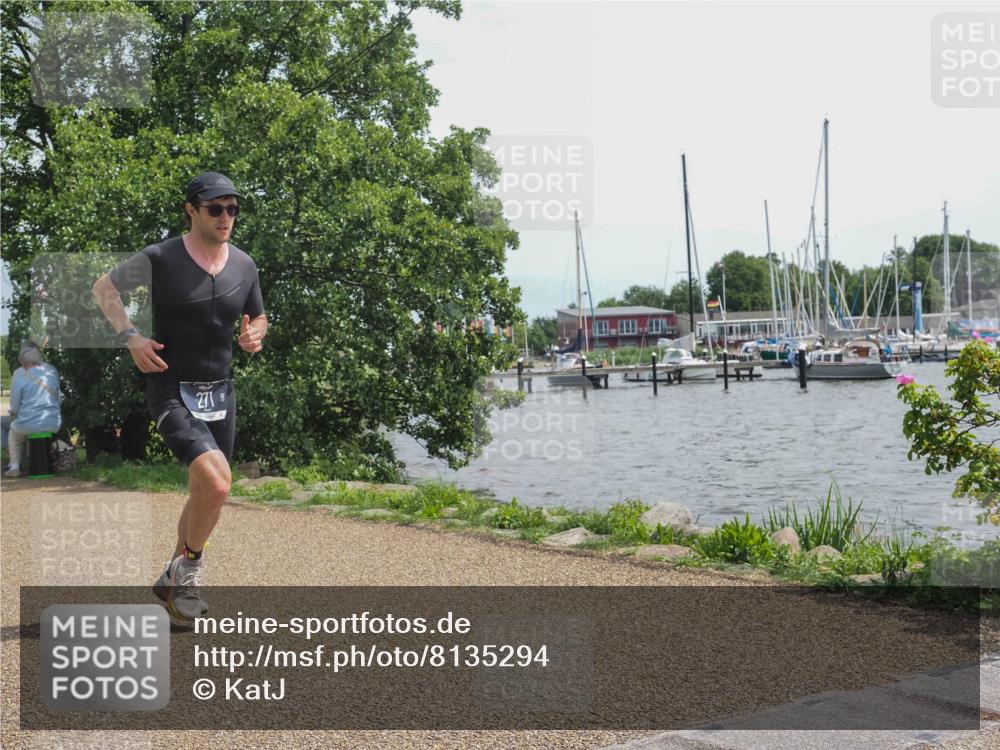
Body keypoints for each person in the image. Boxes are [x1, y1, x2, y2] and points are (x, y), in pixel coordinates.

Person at [92, 171, 267, 621]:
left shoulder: (244, 265)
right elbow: (103, 288)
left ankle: (174, 590)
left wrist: (254, 337)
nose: (226, 216)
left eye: (232, 209)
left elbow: (259, 317)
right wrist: (131, 337)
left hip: (221, 392)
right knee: (218, 482)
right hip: (171, 387)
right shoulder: (161, 257)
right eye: (216, 208)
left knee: (204, 492)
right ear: (192, 210)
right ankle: (188, 569)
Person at [3, 342, 63, 478]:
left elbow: (15, 407)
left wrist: (15, 416)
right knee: (27, 427)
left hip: (30, 423)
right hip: (54, 422)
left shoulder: (20, 376)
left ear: (22, 362)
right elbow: (58, 399)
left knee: (14, 433)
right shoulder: (50, 374)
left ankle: (14, 467)